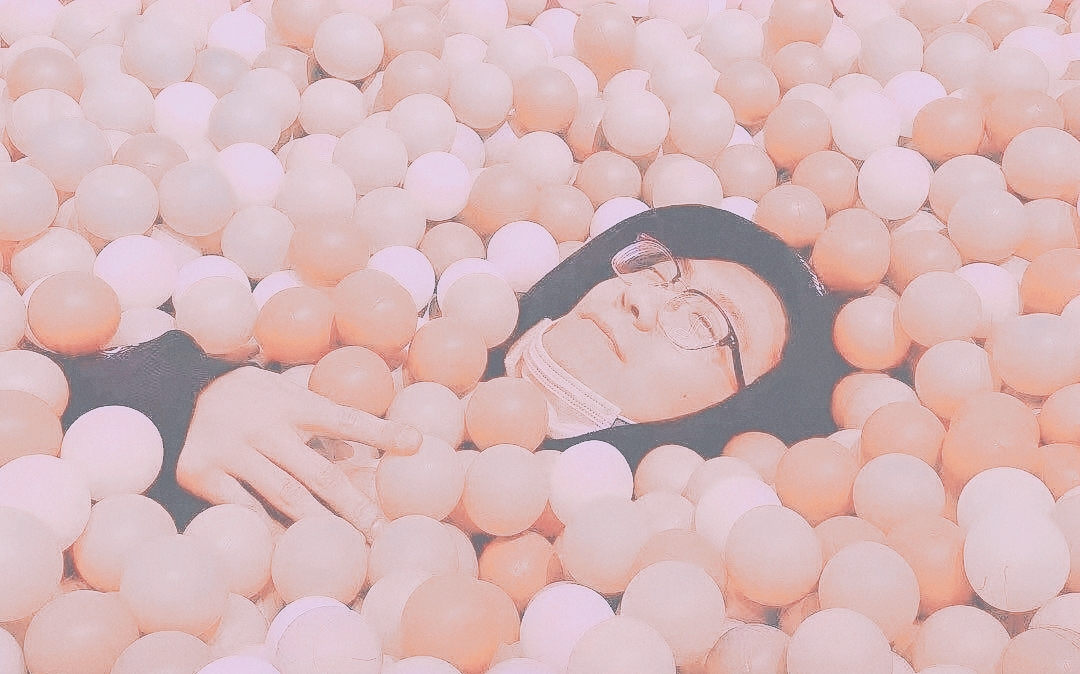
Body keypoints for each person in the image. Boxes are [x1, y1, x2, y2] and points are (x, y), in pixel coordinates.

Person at [47, 205, 848, 533]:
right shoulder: (337, 352)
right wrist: (181, 396)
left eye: (704, 321)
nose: (640, 298)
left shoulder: (624, 582)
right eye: (655, 269)